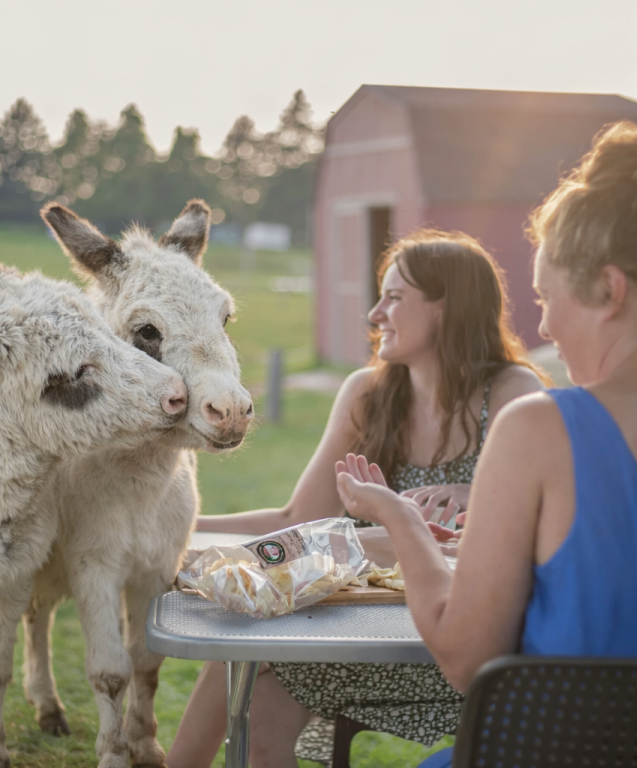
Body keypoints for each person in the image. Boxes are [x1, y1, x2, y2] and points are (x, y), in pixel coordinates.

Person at [334, 117, 637, 768]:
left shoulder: (541, 429)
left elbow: (466, 657)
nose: (543, 324)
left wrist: (399, 514)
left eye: (546, 297)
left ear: (609, 291)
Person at [166, 229, 546, 768]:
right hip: (368, 631)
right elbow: (299, 518)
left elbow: (538, 529)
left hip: (463, 646)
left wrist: (476, 492)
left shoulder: (513, 393)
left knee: (257, 659)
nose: (375, 313)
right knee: (258, 676)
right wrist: (178, 530)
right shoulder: (368, 393)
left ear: (446, 308)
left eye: (394, 298)